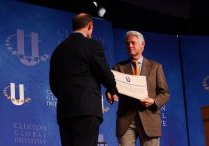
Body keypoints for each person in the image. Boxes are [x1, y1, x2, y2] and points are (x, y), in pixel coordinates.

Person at [49, 13, 118, 146]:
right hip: (87, 110)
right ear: (90, 26)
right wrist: (112, 88)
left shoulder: (58, 50)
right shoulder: (92, 45)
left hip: (65, 112)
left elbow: (53, 84)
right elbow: (104, 72)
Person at [107, 30, 170, 146]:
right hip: (126, 120)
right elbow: (112, 89)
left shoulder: (156, 67)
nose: (130, 45)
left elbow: (165, 93)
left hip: (149, 118)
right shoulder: (118, 67)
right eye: (127, 43)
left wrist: (154, 101)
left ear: (142, 45)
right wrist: (110, 93)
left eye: (133, 42)